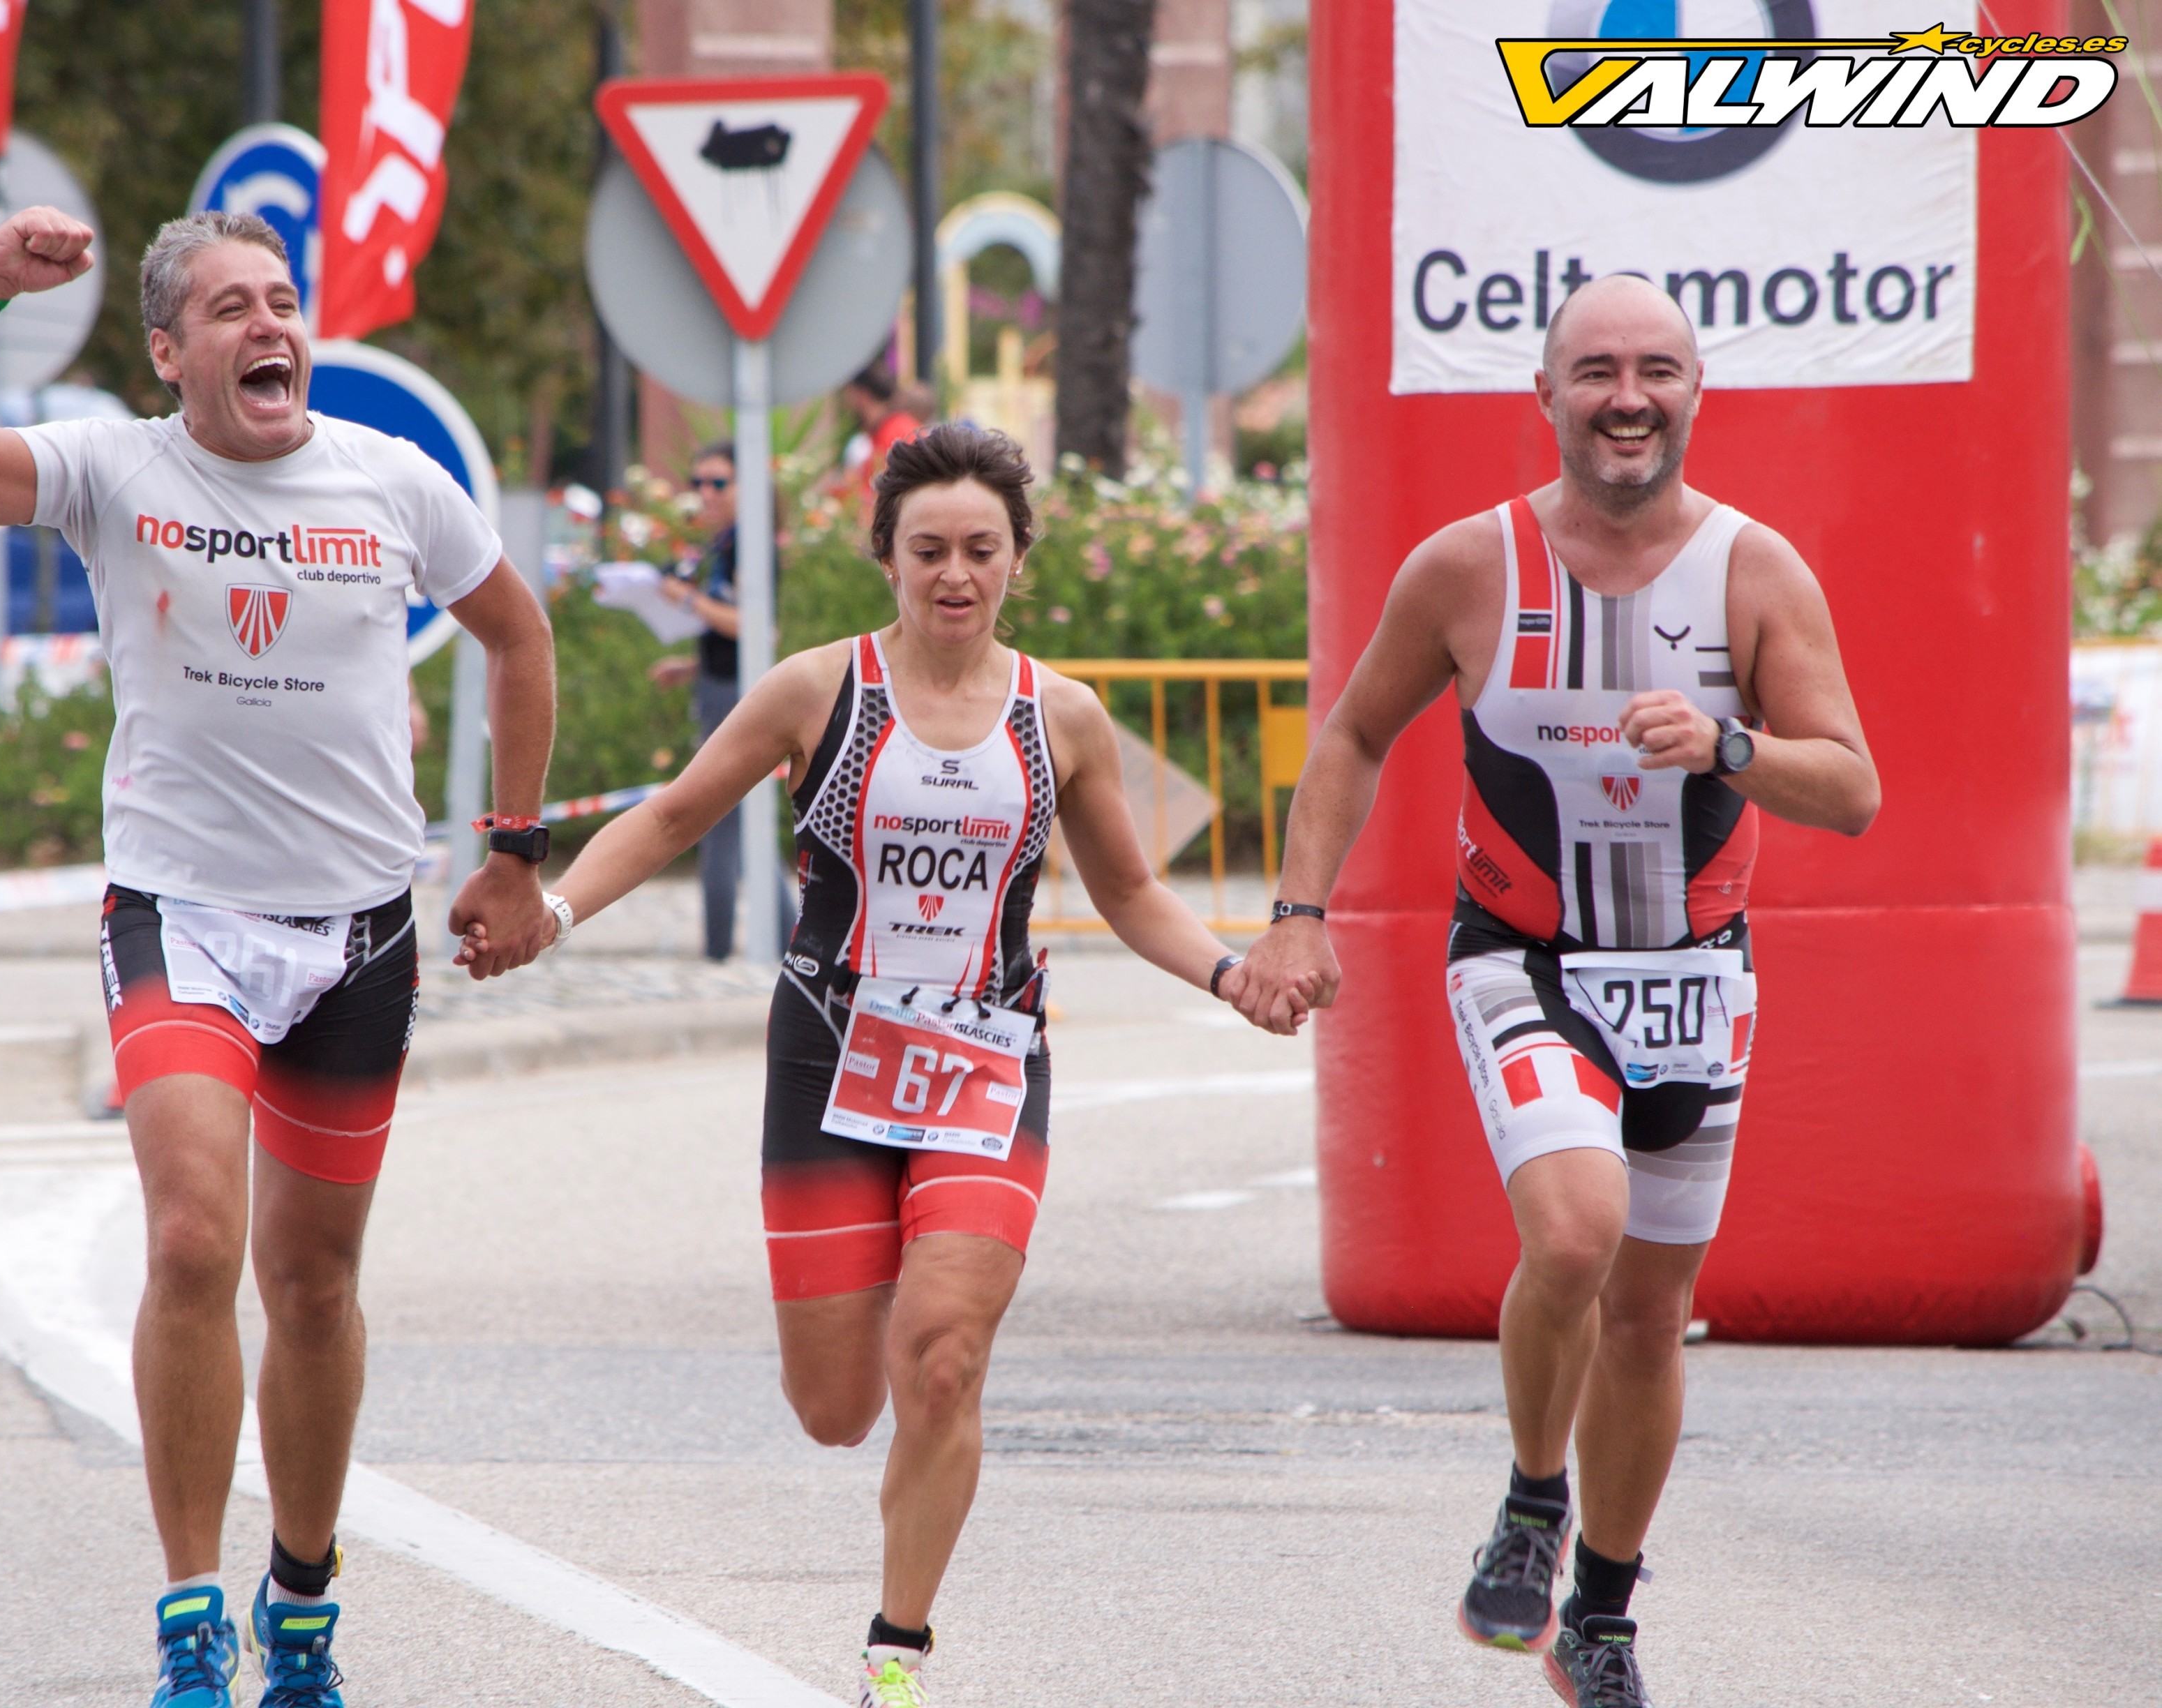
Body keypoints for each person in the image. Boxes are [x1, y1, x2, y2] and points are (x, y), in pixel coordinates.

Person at [0, 205, 557, 1708]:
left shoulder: (393, 481)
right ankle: (187, 1619)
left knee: (314, 1284)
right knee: (189, 1241)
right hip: (180, 918)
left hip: (359, 930)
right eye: (230, 309)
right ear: (169, 353)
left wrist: (514, 848)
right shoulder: (112, 468)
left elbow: (519, 635)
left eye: (282, 300)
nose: (267, 325)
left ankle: (299, 1599)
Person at [467, 424, 1270, 1708]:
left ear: (1016, 560)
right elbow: (672, 814)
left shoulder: (1061, 714)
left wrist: (1232, 975)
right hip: (828, 1058)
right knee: (837, 1408)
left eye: (981, 550)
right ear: (886, 557)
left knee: (943, 1353)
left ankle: (896, 1650)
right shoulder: (814, 691)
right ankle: (882, 1295)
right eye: (929, 549)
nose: (955, 574)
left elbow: (1128, 891)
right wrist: (551, 912)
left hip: (986, 1059)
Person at [1233, 275, 1880, 1708]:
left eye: (1655, 370)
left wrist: (1725, 746)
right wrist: (1295, 916)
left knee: (1648, 1315)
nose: (1626, 398)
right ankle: (1533, 1497)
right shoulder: (1467, 567)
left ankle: (1600, 1614)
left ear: (1695, 391)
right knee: (1576, 1233)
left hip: (1695, 975)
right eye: (1595, 372)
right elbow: (1352, 733)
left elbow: (1851, 788)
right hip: (1522, 957)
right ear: (1545, 396)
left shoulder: (1755, 571)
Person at [647, 441, 793, 959]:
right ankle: (772, 940)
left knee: (720, 818)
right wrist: (693, 666)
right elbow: (733, 630)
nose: (705, 493)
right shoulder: (726, 543)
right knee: (735, 821)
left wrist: (686, 599)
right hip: (720, 684)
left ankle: (728, 947)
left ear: (746, 487)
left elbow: (758, 627)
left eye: (718, 483)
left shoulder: (752, 545)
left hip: (738, 694)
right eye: (698, 483)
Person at [840, 362, 926, 508]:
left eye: (850, 396)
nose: (848, 405)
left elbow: (880, 499)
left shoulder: (896, 435)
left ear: (862, 396)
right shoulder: (892, 429)